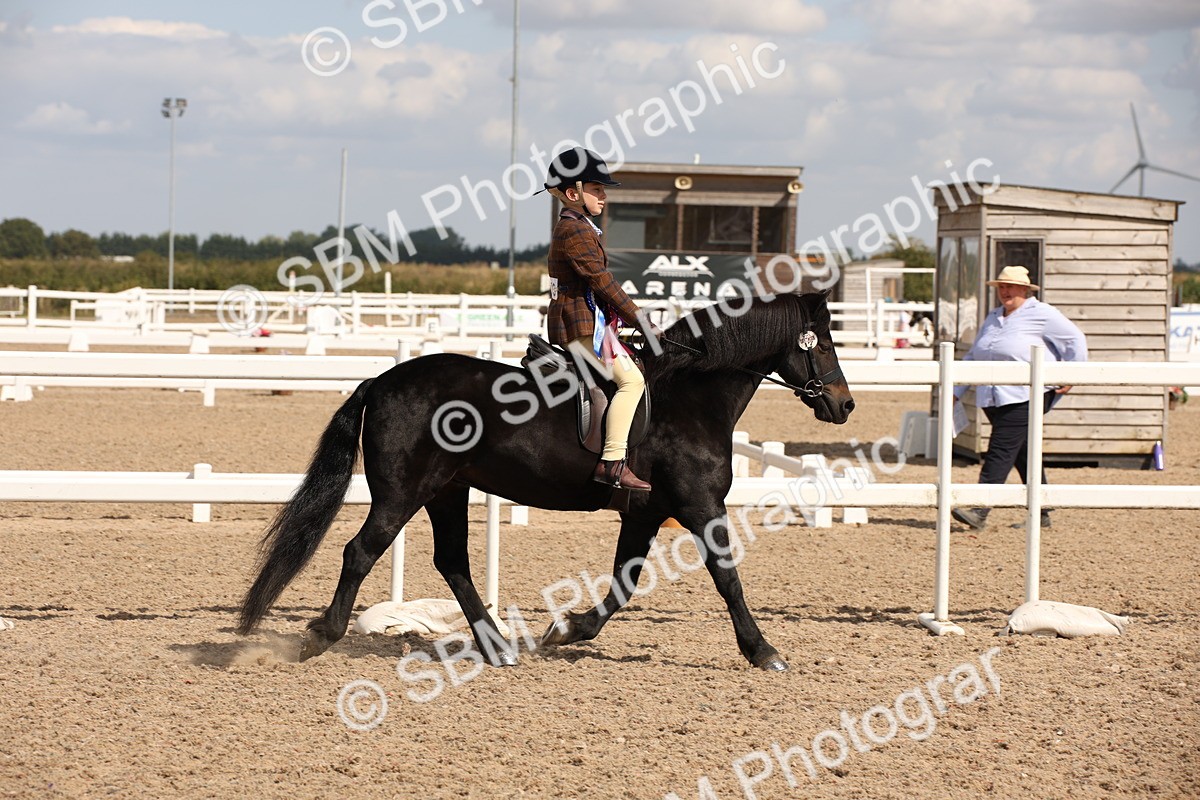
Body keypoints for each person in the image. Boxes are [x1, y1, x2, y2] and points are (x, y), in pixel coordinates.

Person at [540, 147, 653, 491]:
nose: (604, 196)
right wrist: (640, 320)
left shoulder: (579, 226)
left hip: (587, 324)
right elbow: (601, 280)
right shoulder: (574, 230)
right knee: (631, 381)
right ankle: (613, 462)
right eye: (597, 189)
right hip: (580, 328)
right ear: (573, 193)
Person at [950, 266, 1088, 530]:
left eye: (1010, 286)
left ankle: (979, 509)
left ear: (1024, 289)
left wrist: (1071, 375)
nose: (1005, 291)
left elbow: (1075, 339)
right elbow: (974, 356)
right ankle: (1042, 512)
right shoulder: (993, 317)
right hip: (994, 397)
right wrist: (957, 391)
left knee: (1001, 449)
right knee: (1023, 452)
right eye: (1001, 287)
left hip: (1027, 395)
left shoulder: (1042, 313)